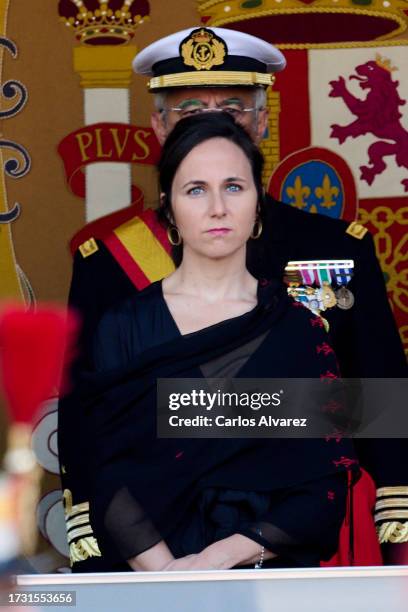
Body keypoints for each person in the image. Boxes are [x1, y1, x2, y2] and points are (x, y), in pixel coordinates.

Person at [58, 27, 408, 571]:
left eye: (234, 108)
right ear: (158, 126)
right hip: (152, 534)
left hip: (301, 524)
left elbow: (375, 401)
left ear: (262, 122)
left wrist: (180, 411)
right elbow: (90, 427)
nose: (214, 123)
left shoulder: (332, 247)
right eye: (191, 110)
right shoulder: (106, 265)